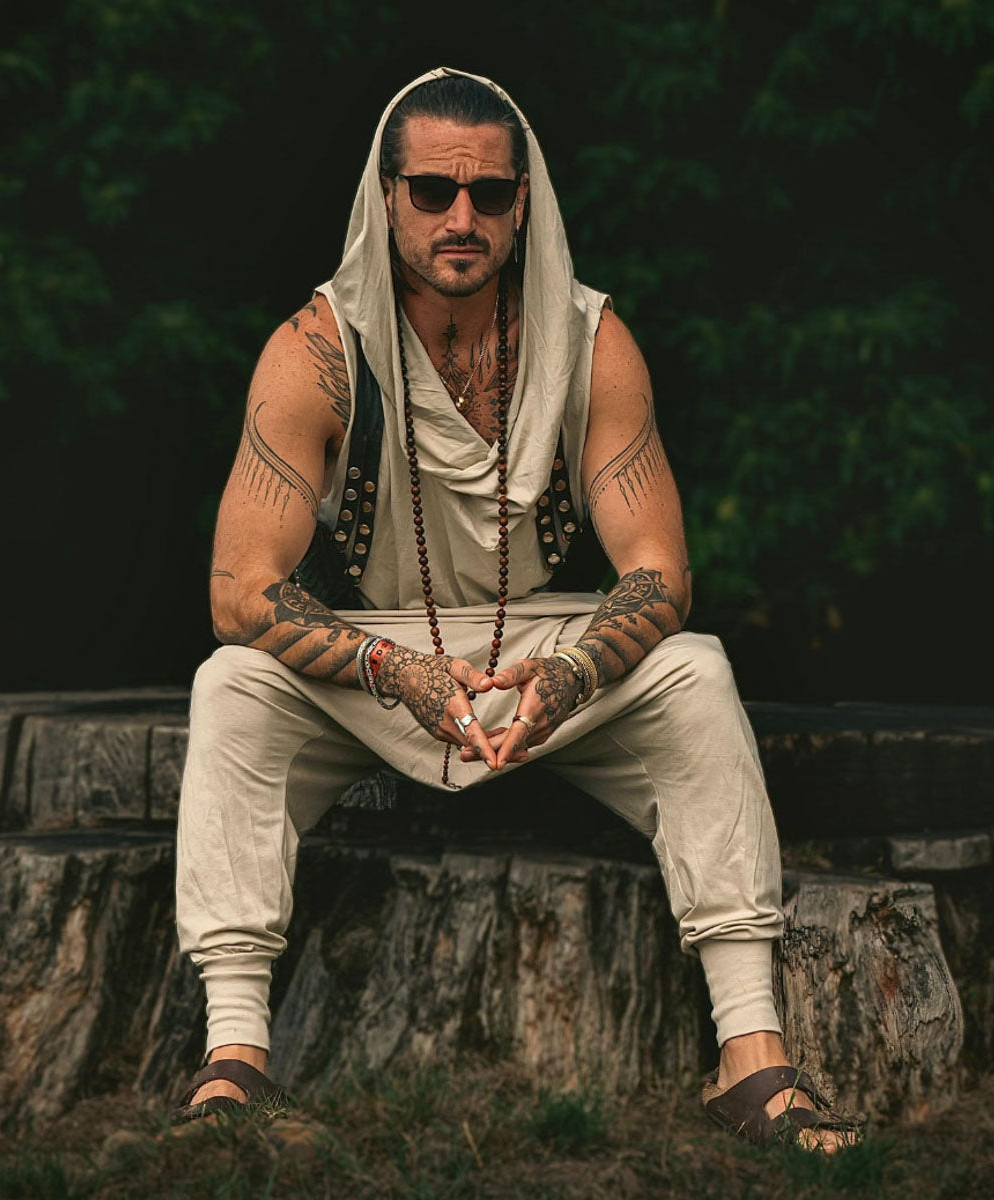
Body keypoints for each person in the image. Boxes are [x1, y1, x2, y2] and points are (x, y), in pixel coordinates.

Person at [171, 67, 859, 1152]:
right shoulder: (318, 351)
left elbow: (659, 572)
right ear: (386, 197)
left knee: (696, 670)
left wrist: (577, 671)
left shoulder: (588, 341)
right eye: (433, 191)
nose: (462, 218)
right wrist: (398, 671)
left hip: (538, 649)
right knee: (234, 685)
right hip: (378, 661)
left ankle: (751, 1053)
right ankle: (235, 1055)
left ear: (523, 201)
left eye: (489, 194)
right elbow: (238, 588)